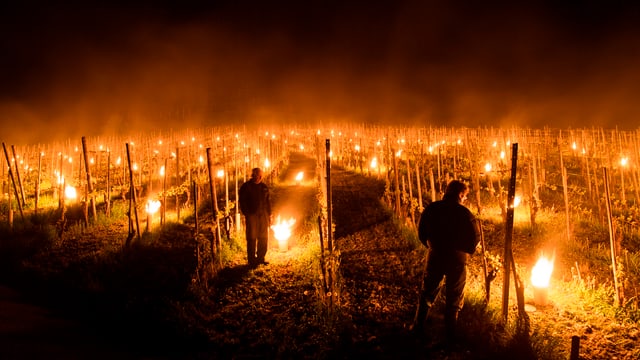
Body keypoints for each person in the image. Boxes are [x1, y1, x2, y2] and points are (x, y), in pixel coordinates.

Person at [411, 180, 479, 343]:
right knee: (454, 297)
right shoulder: (465, 214)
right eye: (465, 196)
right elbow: (474, 239)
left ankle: (418, 328)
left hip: (435, 255)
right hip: (457, 259)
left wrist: (431, 245)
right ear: (460, 195)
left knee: (427, 291)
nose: (465, 199)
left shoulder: (432, 209)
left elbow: (421, 232)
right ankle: (450, 335)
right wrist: (465, 250)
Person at [239, 167, 272, 268]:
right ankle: (252, 260)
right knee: (252, 237)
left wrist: (270, 214)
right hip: (252, 215)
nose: (258, 177)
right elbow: (242, 201)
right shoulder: (246, 187)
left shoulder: (264, 187)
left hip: (263, 215)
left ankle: (261, 258)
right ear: (253, 175)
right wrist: (247, 214)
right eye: (256, 175)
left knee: (263, 237)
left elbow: (268, 202)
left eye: (260, 175)